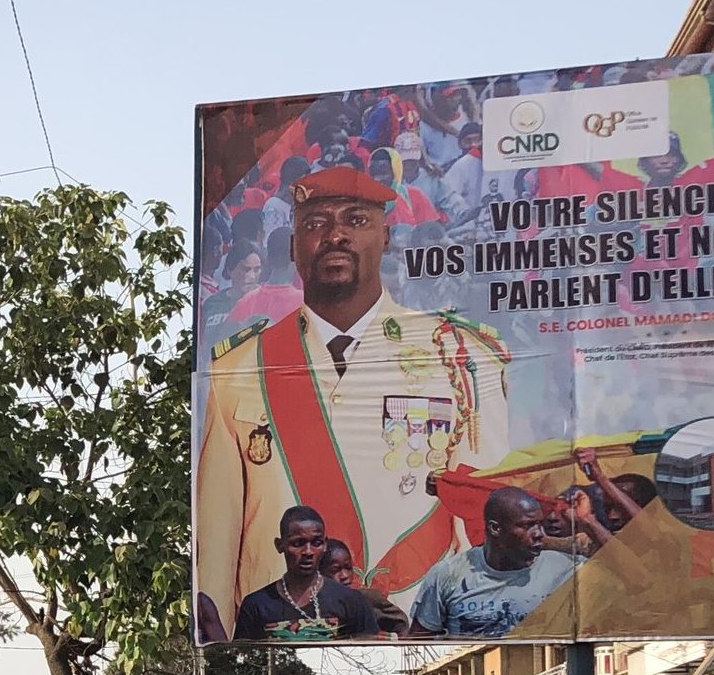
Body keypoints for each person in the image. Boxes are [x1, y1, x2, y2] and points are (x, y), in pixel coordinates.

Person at [195, 164, 511, 643]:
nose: (336, 235)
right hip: (283, 640)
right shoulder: (240, 366)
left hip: (417, 631)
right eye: (316, 223)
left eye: (356, 220)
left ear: (386, 238)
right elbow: (217, 537)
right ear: (293, 246)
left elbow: (481, 515)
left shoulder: (458, 355)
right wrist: (223, 650)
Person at [408, 487, 576, 637]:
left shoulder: (565, 569)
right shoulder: (448, 574)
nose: (539, 533)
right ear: (495, 528)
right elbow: (419, 642)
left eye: (540, 524)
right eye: (528, 525)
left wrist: (586, 522)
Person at [233, 506, 381, 640]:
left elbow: (370, 655)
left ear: (325, 545)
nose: (308, 552)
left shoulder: (351, 601)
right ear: (280, 545)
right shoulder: (257, 605)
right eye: (298, 543)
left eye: (316, 543)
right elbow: (241, 658)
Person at [321, 539, 409, 634]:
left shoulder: (365, 597)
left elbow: (400, 623)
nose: (345, 575)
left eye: (348, 568)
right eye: (335, 570)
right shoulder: (314, 599)